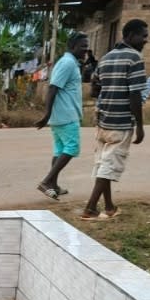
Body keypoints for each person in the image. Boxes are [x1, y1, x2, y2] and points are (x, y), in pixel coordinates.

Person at [81, 19, 150, 221]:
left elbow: (95, 89)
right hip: (120, 122)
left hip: (103, 119)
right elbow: (135, 95)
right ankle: (91, 208)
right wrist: (140, 126)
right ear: (130, 36)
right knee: (109, 166)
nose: (146, 40)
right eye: (143, 35)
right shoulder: (135, 58)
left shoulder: (106, 58)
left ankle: (109, 207)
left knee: (104, 163)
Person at [35, 33, 89, 200]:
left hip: (62, 115)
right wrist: (47, 113)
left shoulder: (70, 63)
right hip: (66, 115)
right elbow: (53, 88)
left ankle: (54, 185)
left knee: (60, 150)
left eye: (86, 46)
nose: (86, 49)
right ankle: (46, 181)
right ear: (72, 47)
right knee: (72, 148)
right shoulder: (67, 63)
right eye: (82, 46)